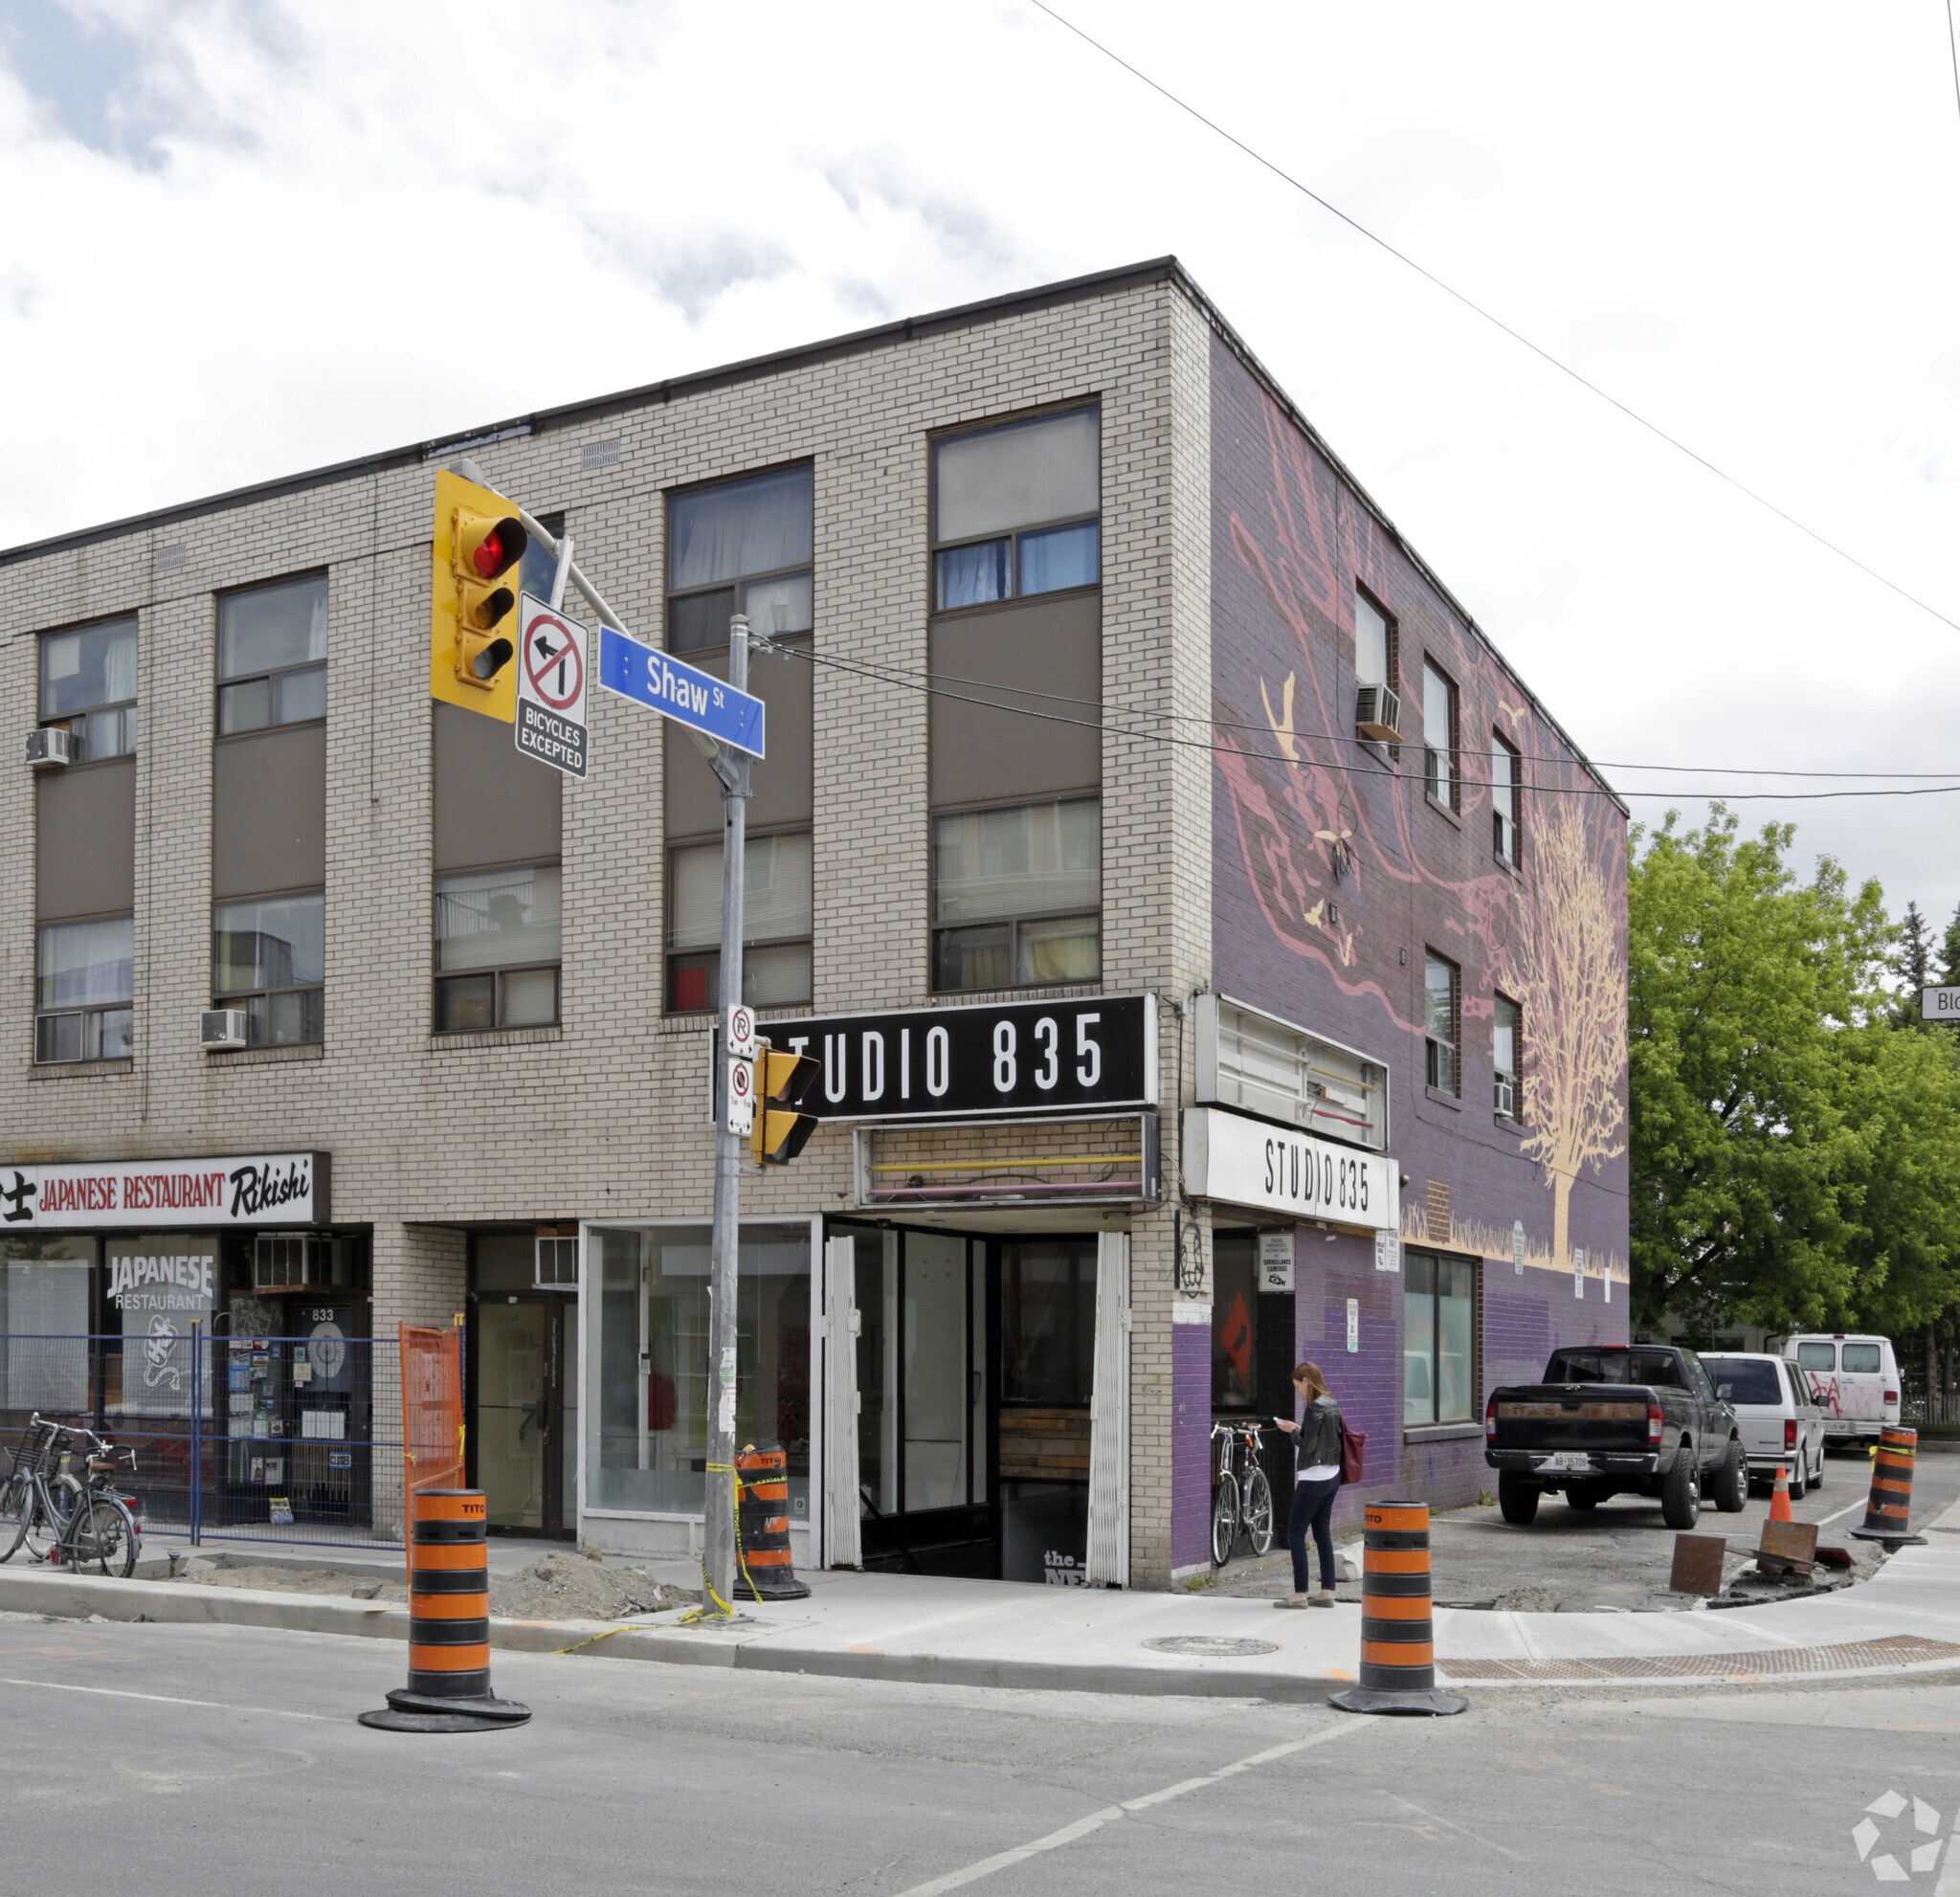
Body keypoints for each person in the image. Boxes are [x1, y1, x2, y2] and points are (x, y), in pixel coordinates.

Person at [1272, 1361, 1342, 1608]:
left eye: (1298, 1386)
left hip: (1314, 1478)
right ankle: (1326, 1592)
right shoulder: (1331, 1403)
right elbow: (1322, 1438)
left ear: (1306, 1381)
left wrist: (1292, 1432)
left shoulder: (1314, 1407)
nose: (1298, 1391)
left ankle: (1300, 1594)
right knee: (1322, 1533)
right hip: (1332, 1475)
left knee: (1295, 1533)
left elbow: (1308, 1446)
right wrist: (1299, 1428)